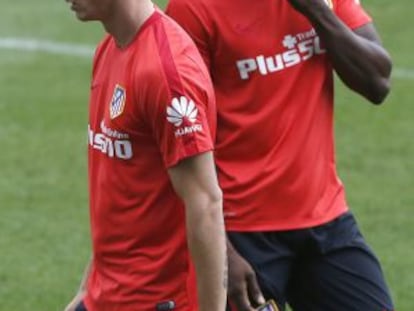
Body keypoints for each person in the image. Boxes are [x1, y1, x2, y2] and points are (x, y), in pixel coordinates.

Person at [166, 0, 394, 310]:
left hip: (326, 221)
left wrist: (317, 11)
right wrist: (223, 254)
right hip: (242, 234)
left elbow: (377, 82)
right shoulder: (193, 9)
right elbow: (177, 141)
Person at [63, 0, 228, 311]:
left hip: (155, 300)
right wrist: (87, 289)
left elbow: (205, 203)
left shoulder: (167, 72)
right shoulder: (110, 48)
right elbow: (122, 193)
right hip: (107, 296)